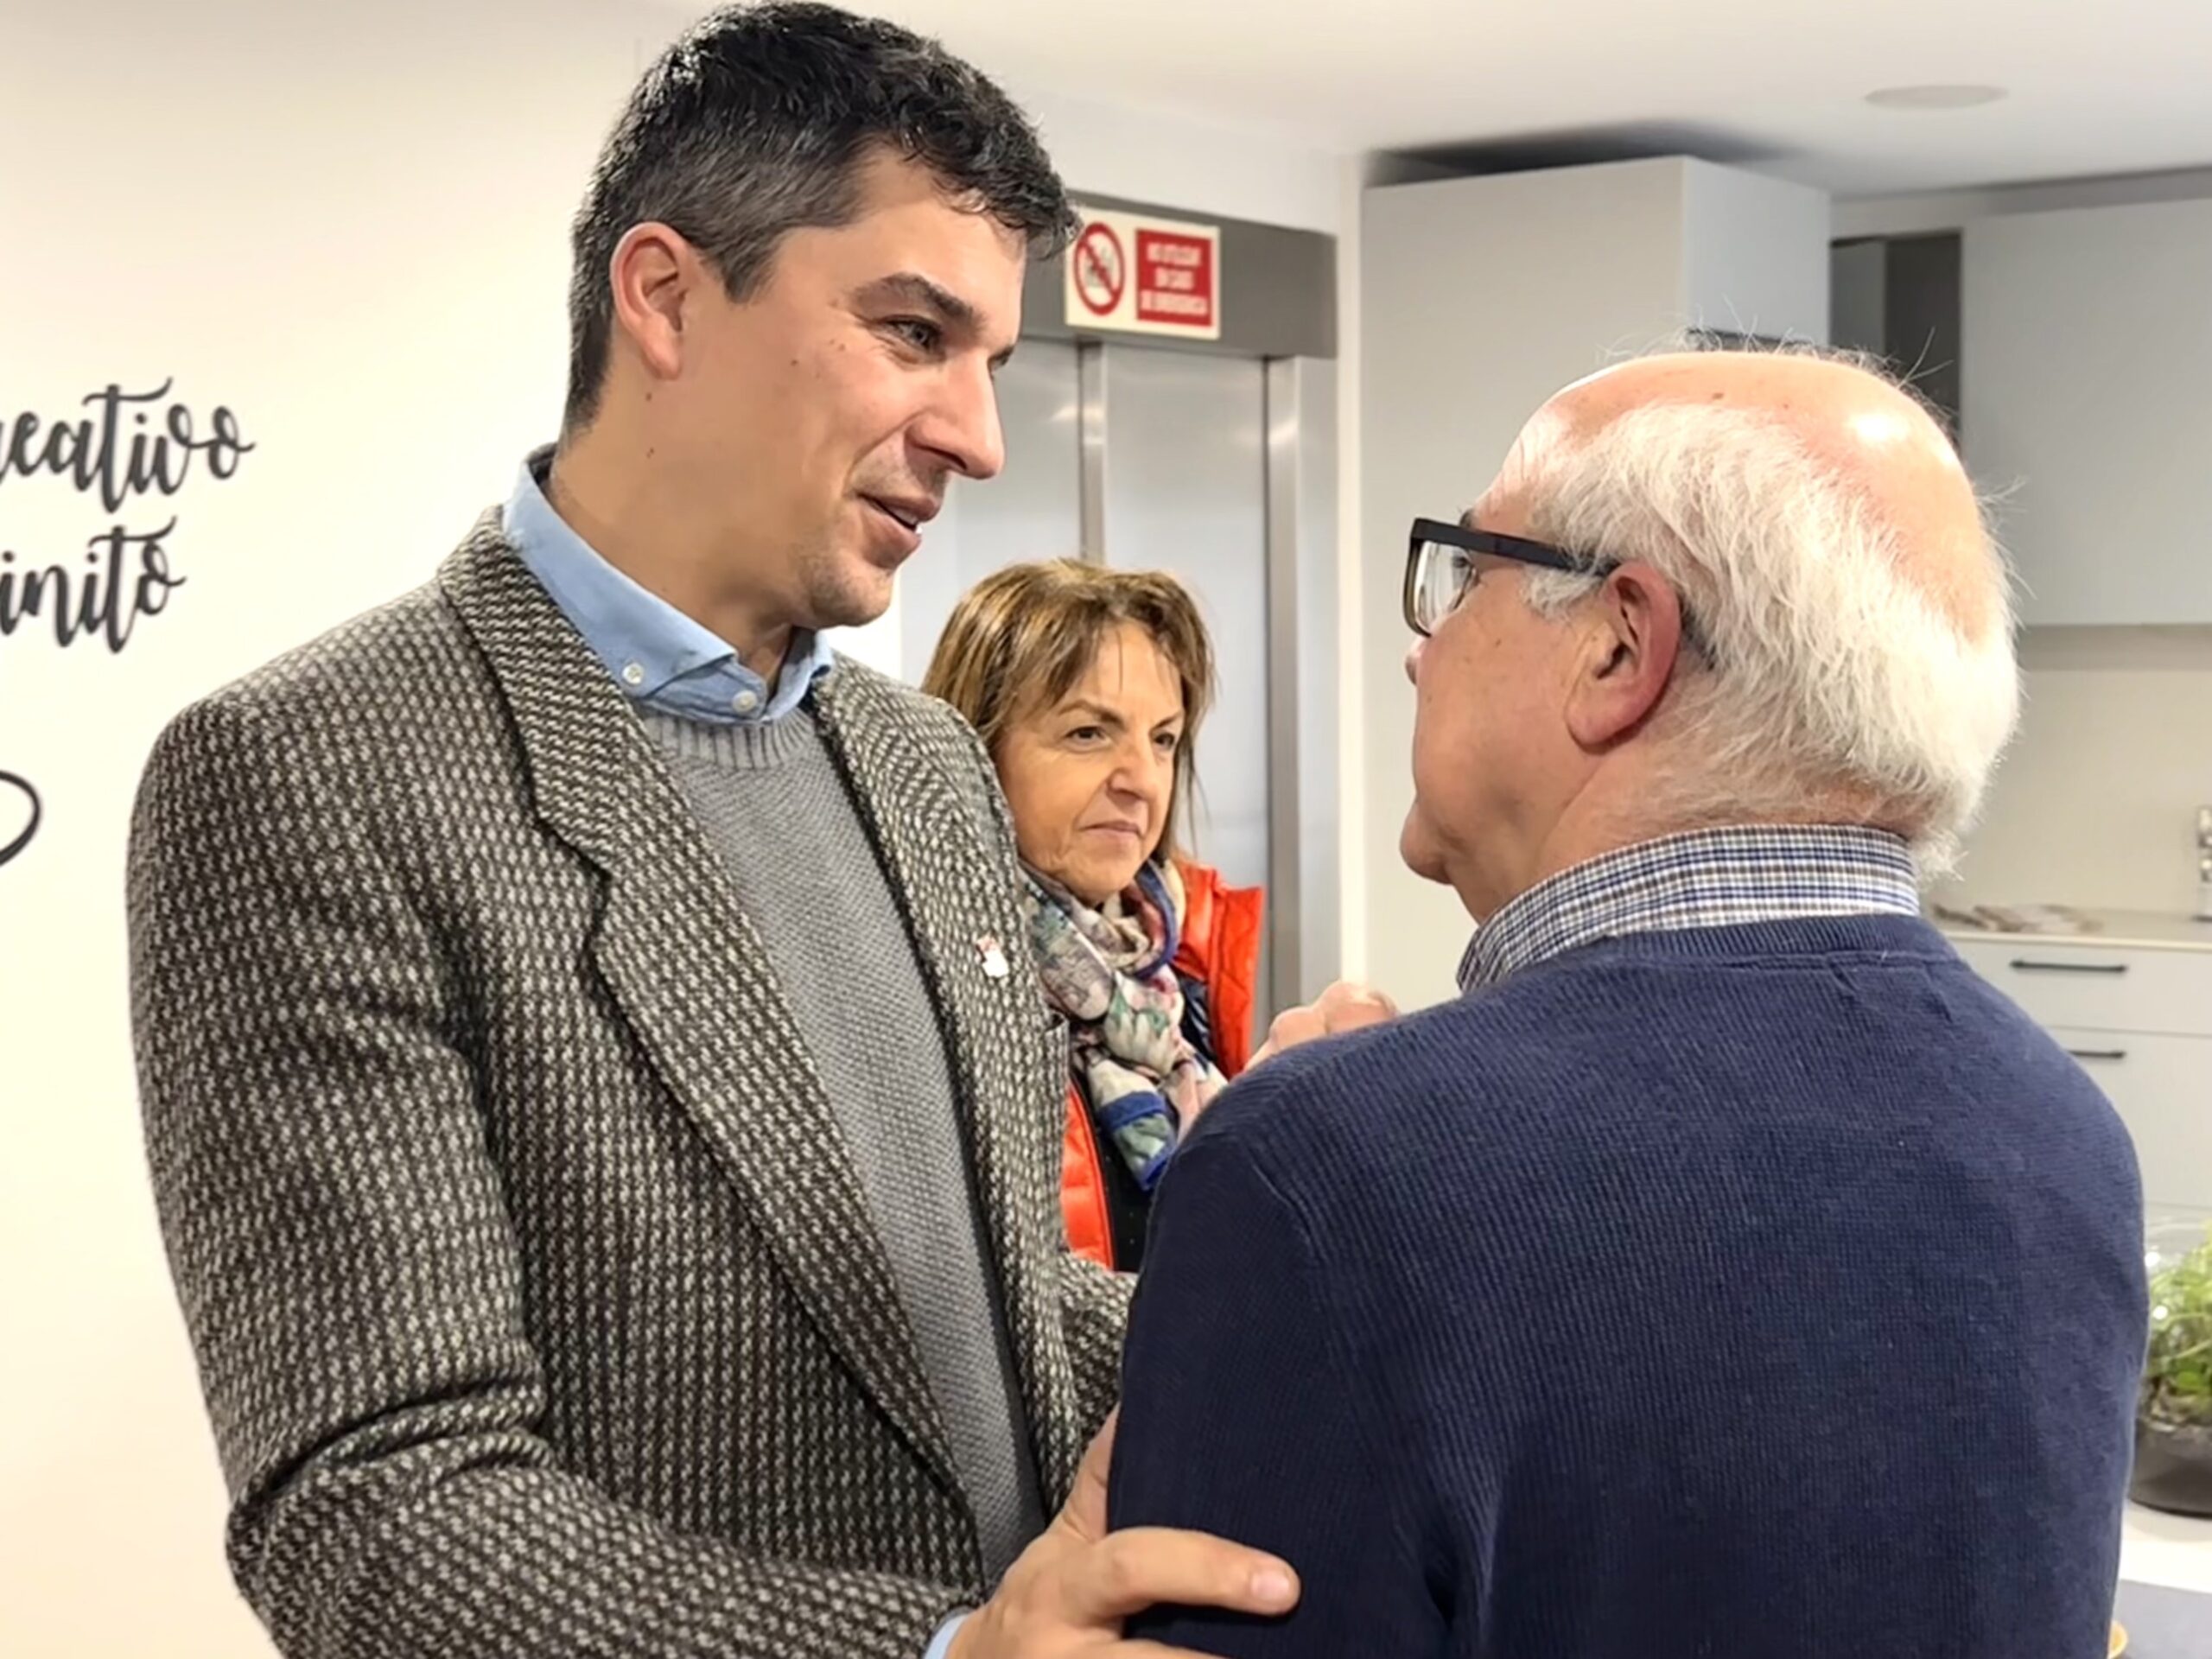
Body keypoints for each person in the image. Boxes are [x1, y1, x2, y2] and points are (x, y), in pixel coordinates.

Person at [124, 8, 1305, 1657]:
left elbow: (995, 1315)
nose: (977, 437)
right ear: (666, 298)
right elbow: (379, 1509)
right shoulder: (316, 772)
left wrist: (1327, 1245)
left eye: (990, 364)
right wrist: (936, 1653)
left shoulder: (922, 766)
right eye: (914, 332)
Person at [1109, 347, 2149, 1659]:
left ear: (1618, 646)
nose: (1420, 653)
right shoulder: (2067, 1139)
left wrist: (1285, 1174)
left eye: (1465, 577)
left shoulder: (1323, 1173)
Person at [922, 560, 1264, 1273]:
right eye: (1088, 734)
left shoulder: (1176, 989)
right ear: (973, 751)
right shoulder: (924, 995)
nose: (1141, 780)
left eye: (1163, 739)